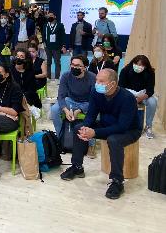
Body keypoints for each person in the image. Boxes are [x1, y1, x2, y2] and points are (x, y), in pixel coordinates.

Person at [60, 69, 141, 200]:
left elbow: (122, 126)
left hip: (129, 131)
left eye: (101, 81)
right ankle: (77, 166)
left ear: (113, 84)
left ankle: (117, 181)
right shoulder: (96, 92)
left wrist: (95, 132)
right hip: (106, 125)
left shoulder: (128, 98)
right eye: (97, 80)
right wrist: (86, 127)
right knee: (78, 128)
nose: (97, 83)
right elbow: (91, 115)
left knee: (113, 140)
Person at [50, 55, 96, 149]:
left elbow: (93, 100)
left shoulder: (92, 77)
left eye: (78, 65)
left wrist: (79, 110)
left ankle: (91, 145)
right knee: (54, 110)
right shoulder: (66, 75)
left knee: (95, 113)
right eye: (73, 65)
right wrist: (66, 110)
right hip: (70, 101)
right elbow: (61, 96)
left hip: (86, 103)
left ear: (85, 67)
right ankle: (60, 138)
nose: (75, 67)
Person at [118, 55, 157, 139]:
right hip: (128, 93)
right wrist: (131, 97)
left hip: (143, 94)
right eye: (137, 64)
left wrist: (141, 98)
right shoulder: (125, 70)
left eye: (141, 65)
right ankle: (123, 124)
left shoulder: (150, 73)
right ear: (133, 63)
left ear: (146, 66)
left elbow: (150, 90)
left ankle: (148, 126)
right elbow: (120, 87)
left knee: (153, 101)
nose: (139, 66)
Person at [42, 11, 66, 80]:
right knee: (48, 62)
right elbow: (43, 35)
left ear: (55, 16)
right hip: (48, 47)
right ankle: (48, 77)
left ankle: (57, 78)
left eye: (51, 16)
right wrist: (44, 43)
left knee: (57, 63)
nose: (50, 17)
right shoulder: (45, 25)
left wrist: (63, 46)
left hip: (57, 47)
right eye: (48, 16)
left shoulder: (60, 25)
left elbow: (63, 36)